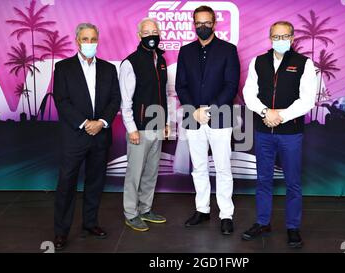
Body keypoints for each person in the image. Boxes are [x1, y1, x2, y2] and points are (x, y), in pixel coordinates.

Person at [242, 21, 318, 248]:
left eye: (285, 36)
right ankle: (262, 222)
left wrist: (280, 116)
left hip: (290, 133)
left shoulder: (303, 63)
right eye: (276, 36)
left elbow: (307, 100)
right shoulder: (258, 62)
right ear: (270, 37)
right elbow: (249, 93)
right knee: (263, 180)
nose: (280, 40)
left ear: (293, 38)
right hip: (264, 130)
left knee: (293, 182)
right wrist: (266, 112)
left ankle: (293, 228)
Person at [53, 23, 121, 250]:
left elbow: (115, 99)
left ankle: (90, 223)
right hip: (75, 136)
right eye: (85, 39)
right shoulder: (63, 68)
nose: (90, 43)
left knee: (95, 182)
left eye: (93, 39)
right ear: (77, 41)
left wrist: (101, 123)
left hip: (100, 135)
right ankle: (61, 231)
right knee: (66, 184)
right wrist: (85, 124)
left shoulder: (109, 69)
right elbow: (62, 101)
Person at [175, 5, 240, 235]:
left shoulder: (228, 50)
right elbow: (180, 85)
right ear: (194, 24)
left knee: (223, 168)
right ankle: (202, 210)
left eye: (207, 22)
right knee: (199, 167)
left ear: (214, 23)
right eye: (198, 23)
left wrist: (209, 110)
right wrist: (194, 110)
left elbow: (231, 85)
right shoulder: (186, 51)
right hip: (193, 117)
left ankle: (226, 214)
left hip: (220, 116)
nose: (202, 26)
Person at [119, 18, 170, 232]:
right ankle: (131, 213)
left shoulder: (161, 60)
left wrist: (166, 122)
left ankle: (146, 208)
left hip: (157, 125)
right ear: (139, 35)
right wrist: (131, 128)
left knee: (151, 171)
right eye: (147, 32)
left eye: (155, 31)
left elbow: (164, 94)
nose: (151, 35)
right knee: (135, 172)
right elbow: (125, 100)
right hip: (139, 128)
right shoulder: (130, 62)